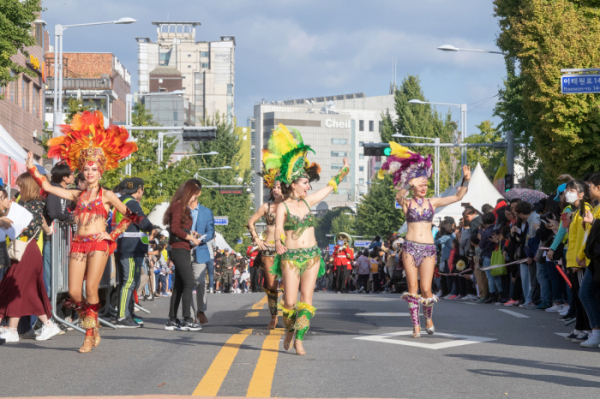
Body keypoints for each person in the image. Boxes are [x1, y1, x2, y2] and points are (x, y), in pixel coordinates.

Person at [24, 111, 140, 353]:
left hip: (98, 245)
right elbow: (46, 186)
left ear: (101, 172)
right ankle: (92, 324)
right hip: (78, 243)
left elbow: (131, 215)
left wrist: (112, 234)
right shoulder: (77, 194)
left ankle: (88, 336)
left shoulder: (107, 195)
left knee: (90, 289)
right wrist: (32, 168)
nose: (89, 173)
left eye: (94, 169)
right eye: (86, 169)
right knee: (74, 292)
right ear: (83, 172)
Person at [267, 124, 349, 355]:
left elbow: (330, 188)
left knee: (307, 300)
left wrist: (344, 171)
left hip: (312, 256)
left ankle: (300, 339)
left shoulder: (308, 202)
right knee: (290, 303)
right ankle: (290, 330)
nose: (308, 186)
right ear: (293, 184)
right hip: (290, 257)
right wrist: (278, 242)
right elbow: (278, 228)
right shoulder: (282, 205)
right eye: (304, 183)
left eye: (308, 184)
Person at [384, 141, 471, 338]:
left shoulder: (433, 202)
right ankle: (415, 325)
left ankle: (428, 318)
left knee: (426, 288)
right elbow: (398, 195)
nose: (424, 187)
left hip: (428, 250)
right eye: (421, 184)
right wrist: (409, 183)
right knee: (413, 288)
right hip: (410, 247)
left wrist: (466, 180)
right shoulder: (406, 203)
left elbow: (458, 196)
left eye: (426, 184)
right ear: (414, 186)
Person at [0, 178, 61, 343]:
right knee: (21, 289)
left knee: (17, 287)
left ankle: (40, 326)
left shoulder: (32, 205)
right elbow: (44, 227)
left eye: (20, 185)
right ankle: (43, 325)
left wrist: (7, 221)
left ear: (27, 186)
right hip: (27, 250)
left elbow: (30, 228)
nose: (17, 188)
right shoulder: (31, 204)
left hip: (27, 250)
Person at [112, 177, 154, 328]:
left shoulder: (121, 200)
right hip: (129, 248)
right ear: (139, 190)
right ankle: (123, 316)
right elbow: (142, 221)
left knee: (130, 282)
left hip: (126, 246)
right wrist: (152, 228)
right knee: (129, 282)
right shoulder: (131, 202)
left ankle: (128, 313)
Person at [247, 171, 286, 328]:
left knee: (288, 286)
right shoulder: (266, 207)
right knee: (271, 285)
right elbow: (251, 222)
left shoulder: (291, 207)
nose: (276, 190)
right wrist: (256, 239)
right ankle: (274, 315)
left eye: (279, 187)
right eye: (274, 187)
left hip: (286, 250)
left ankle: (290, 313)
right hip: (268, 250)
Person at [163, 181, 203, 332]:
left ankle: (172, 319)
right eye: (194, 195)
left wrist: (190, 233)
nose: (195, 199)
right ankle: (187, 319)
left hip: (181, 247)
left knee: (179, 286)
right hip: (179, 248)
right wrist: (191, 238)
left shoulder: (180, 206)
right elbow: (174, 228)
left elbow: (179, 227)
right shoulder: (179, 205)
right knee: (188, 282)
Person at [42, 161, 75, 297]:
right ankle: (50, 308)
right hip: (51, 239)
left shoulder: (64, 191)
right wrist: (70, 218)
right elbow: (53, 213)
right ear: (64, 177)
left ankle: (56, 308)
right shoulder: (53, 191)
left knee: (59, 274)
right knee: (52, 274)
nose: (74, 176)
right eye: (71, 174)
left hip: (60, 238)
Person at [189, 181, 215, 325]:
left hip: (200, 249)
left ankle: (200, 310)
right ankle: (191, 316)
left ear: (198, 193)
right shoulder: (182, 210)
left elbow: (211, 232)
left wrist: (200, 237)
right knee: (187, 284)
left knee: (199, 282)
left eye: (192, 191)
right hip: (184, 250)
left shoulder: (206, 212)